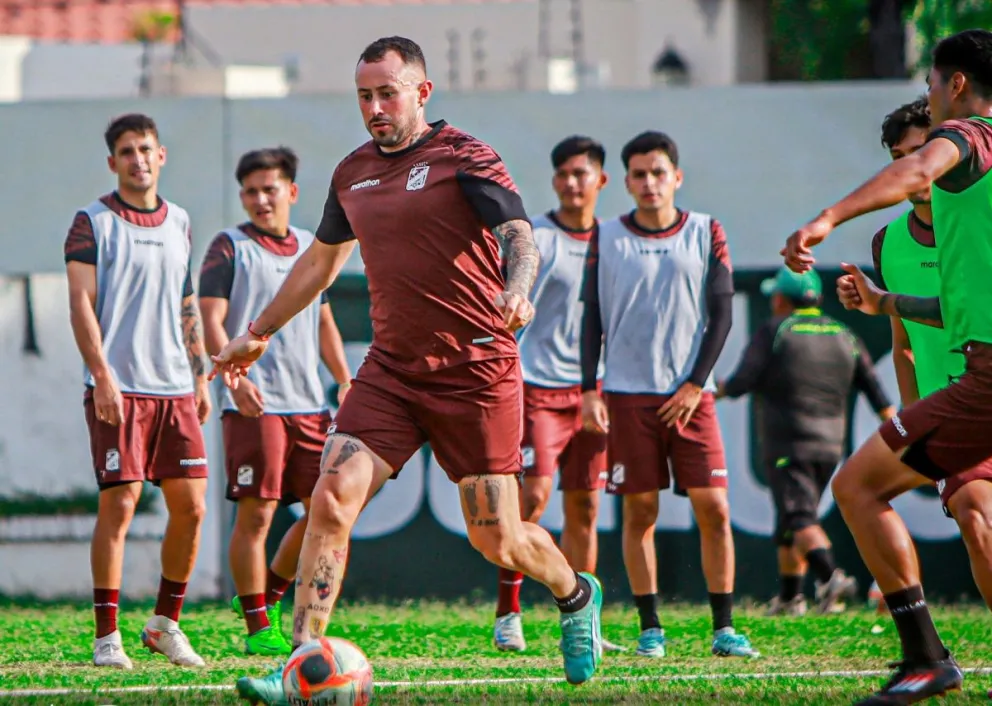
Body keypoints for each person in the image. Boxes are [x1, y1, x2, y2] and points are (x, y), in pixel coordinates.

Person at [209, 36, 603, 704]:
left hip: (476, 368)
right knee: (330, 500)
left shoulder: (465, 157)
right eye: (364, 95)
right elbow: (319, 264)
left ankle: (574, 593)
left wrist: (517, 286)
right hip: (391, 371)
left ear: (422, 92)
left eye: (387, 92)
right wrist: (257, 333)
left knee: (498, 539)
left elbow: (519, 235)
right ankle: (300, 670)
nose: (374, 107)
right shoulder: (352, 172)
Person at [783, 28, 992, 703]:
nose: (929, 98)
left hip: (985, 383)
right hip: (972, 370)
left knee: (857, 488)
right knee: (978, 516)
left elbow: (918, 169)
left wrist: (826, 217)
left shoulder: (971, 137)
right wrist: (886, 303)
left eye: (932, 84)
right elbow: (962, 304)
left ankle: (927, 656)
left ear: (956, 83)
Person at [580, 130, 758, 659]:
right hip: (626, 394)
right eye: (639, 174)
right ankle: (650, 627)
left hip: (690, 396)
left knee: (715, 508)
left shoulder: (706, 230)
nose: (650, 183)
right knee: (640, 512)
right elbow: (592, 319)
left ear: (676, 177)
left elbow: (722, 315)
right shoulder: (605, 235)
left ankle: (724, 627)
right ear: (626, 181)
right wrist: (591, 387)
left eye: (659, 172)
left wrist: (694, 382)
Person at [63, 113, 210, 669]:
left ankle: (164, 625)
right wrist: (101, 374)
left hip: (174, 387)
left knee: (192, 508)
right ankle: (107, 637)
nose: (138, 159)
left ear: (162, 155)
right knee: (120, 504)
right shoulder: (91, 222)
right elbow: (81, 304)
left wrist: (198, 374)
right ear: (113, 162)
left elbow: (186, 302)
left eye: (146, 149)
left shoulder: (181, 222)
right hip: (119, 388)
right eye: (127, 151)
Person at [198, 147, 353, 657]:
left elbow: (324, 321)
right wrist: (231, 379)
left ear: (292, 192)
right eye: (250, 191)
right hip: (254, 405)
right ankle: (258, 625)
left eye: (270, 189)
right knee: (258, 516)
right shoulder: (229, 247)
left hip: (309, 405)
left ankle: (274, 598)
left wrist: (344, 378)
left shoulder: (313, 247)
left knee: (325, 513)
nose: (261, 199)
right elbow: (212, 320)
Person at [492, 135, 622, 653]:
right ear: (554, 180)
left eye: (582, 173)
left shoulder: (614, 240)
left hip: (595, 390)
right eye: (564, 174)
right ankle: (509, 613)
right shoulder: (536, 236)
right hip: (539, 386)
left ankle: (584, 620)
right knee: (534, 500)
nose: (573, 183)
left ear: (601, 181)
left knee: (587, 508)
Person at [866, 98, 992, 612]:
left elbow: (964, 310)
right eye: (900, 156)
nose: (913, 166)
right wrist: (915, 422)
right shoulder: (887, 242)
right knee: (975, 518)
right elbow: (903, 348)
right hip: (956, 413)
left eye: (921, 150)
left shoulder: (978, 220)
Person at [716, 267, 896, 617]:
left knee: (798, 516)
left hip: (788, 443)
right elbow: (877, 392)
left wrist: (708, 391)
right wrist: (899, 430)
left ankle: (830, 576)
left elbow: (740, 383)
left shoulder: (776, 329)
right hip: (831, 447)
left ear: (780, 299)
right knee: (791, 518)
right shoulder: (844, 333)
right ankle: (789, 597)